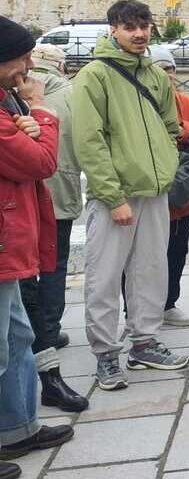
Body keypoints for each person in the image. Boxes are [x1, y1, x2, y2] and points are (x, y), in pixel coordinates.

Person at [73, 0, 189, 391]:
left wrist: (166, 163)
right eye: (130, 27)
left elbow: (171, 125)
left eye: (144, 27)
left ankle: (144, 342)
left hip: (154, 190)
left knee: (150, 270)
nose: (139, 34)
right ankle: (106, 355)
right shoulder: (93, 76)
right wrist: (112, 195)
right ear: (113, 29)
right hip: (117, 196)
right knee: (104, 277)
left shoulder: (155, 74)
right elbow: (89, 143)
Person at [0, 17, 75, 474]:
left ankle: (17, 429)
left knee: (17, 337)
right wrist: (39, 114)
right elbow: (41, 161)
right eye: (22, 57)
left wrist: (27, 120)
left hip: (10, 247)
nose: (29, 66)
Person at [19, 44, 88, 413]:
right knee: (52, 269)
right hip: (53, 197)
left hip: (23, 203)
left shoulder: (16, 95)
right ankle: (47, 336)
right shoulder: (63, 93)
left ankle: (36, 341)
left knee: (26, 281)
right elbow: (67, 149)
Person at [148, 46, 189, 327]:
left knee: (176, 250)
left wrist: (180, 128)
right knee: (144, 254)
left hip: (181, 194)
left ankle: (169, 303)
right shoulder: (141, 100)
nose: (167, 74)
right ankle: (140, 306)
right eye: (160, 69)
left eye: (170, 69)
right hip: (147, 191)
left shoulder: (188, 103)